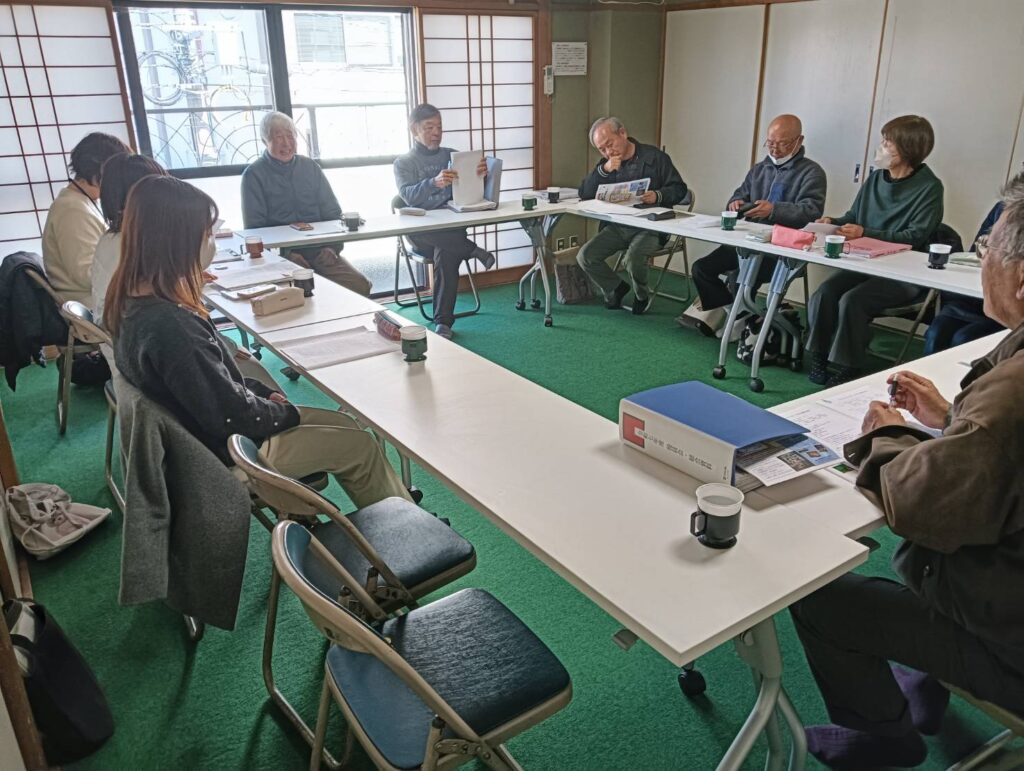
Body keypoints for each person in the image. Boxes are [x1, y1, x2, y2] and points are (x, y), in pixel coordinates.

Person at [789, 172, 1024, 770]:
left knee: (822, 600)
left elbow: (923, 505)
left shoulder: (1011, 399)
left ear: (1020, 277)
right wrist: (952, 419)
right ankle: (927, 677)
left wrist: (885, 435)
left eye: (988, 244)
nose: (981, 256)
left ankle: (883, 738)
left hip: (1011, 642)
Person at [106, 175, 411, 508]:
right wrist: (280, 411)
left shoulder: (131, 300)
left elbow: (211, 386)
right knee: (358, 446)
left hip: (203, 439)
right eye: (206, 234)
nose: (210, 242)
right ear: (178, 241)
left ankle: (398, 514)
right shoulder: (172, 326)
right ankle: (408, 531)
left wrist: (261, 393)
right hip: (228, 454)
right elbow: (231, 416)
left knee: (344, 424)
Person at [92, 153, 278, 390]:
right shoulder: (135, 249)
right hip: (159, 365)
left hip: (135, 359)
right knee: (258, 376)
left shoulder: (118, 241)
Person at [806, 115, 944, 386]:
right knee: (824, 293)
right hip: (865, 263)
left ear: (908, 148)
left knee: (853, 300)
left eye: (888, 143)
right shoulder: (876, 179)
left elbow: (914, 236)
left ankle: (849, 365)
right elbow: (854, 216)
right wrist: (833, 222)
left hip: (903, 273)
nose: (881, 147)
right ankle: (819, 355)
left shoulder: (930, 188)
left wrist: (864, 232)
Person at [684, 114, 826, 328]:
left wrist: (773, 210)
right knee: (701, 269)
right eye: (770, 143)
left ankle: (739, 319)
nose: (775, 149)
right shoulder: (760, 169)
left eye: (783, 143)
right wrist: (735, 204)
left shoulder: (812, 173)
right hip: (747, 241)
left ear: (799, 140)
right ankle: (739, 314)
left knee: (740, 279)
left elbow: (811, 211)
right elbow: (739, 195)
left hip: (780, 250)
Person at [240, 112, 371, 297]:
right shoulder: (253, 175)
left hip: (321, 251)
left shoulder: (310, 167)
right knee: (301, 295)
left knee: (359, 286)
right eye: (279, 137)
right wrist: (285, 255)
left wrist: (332, 247)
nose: (286, 143)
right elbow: (254, 229)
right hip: (281, 257)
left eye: (290, 136)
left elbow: (333, 213)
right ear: (265, 140)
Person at [393, 103, 495, 340]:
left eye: (439, 127)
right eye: (429, 127)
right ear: (414, 130)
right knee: (445, 245)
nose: (436, 133)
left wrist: (481, 175)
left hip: (451, 230)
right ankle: (471, 249)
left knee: (446, 252)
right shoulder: (404, 162)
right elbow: (408, 196)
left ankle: (443, 322)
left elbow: (471, 192)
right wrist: (433, 182)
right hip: (421, 233)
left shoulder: (453, 156)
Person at [577, 117, 688, 315]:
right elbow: (584, 193)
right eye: (602, 149)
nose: (608, 152)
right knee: (586, 256)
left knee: (633, 257)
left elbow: (679, 189)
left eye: (610, 144)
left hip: (651, 227)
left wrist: (658, 195)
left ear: (623, 133)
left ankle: (642, 294)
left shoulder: (655, 158)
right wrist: (604, 170)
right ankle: (616, 287)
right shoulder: (607, 164)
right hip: (619, 226)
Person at [42, 132, 130, 304]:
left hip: (100, 296)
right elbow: (86, 275)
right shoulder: (72, 209)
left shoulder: (84, 201)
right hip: (91, 302)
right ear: (101, 169)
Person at [923, 201, 1005, 354]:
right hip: (975, 297)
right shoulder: (1003, 207)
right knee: (937, 332)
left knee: (964, 338)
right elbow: (975, 254)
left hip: (1007, 307)